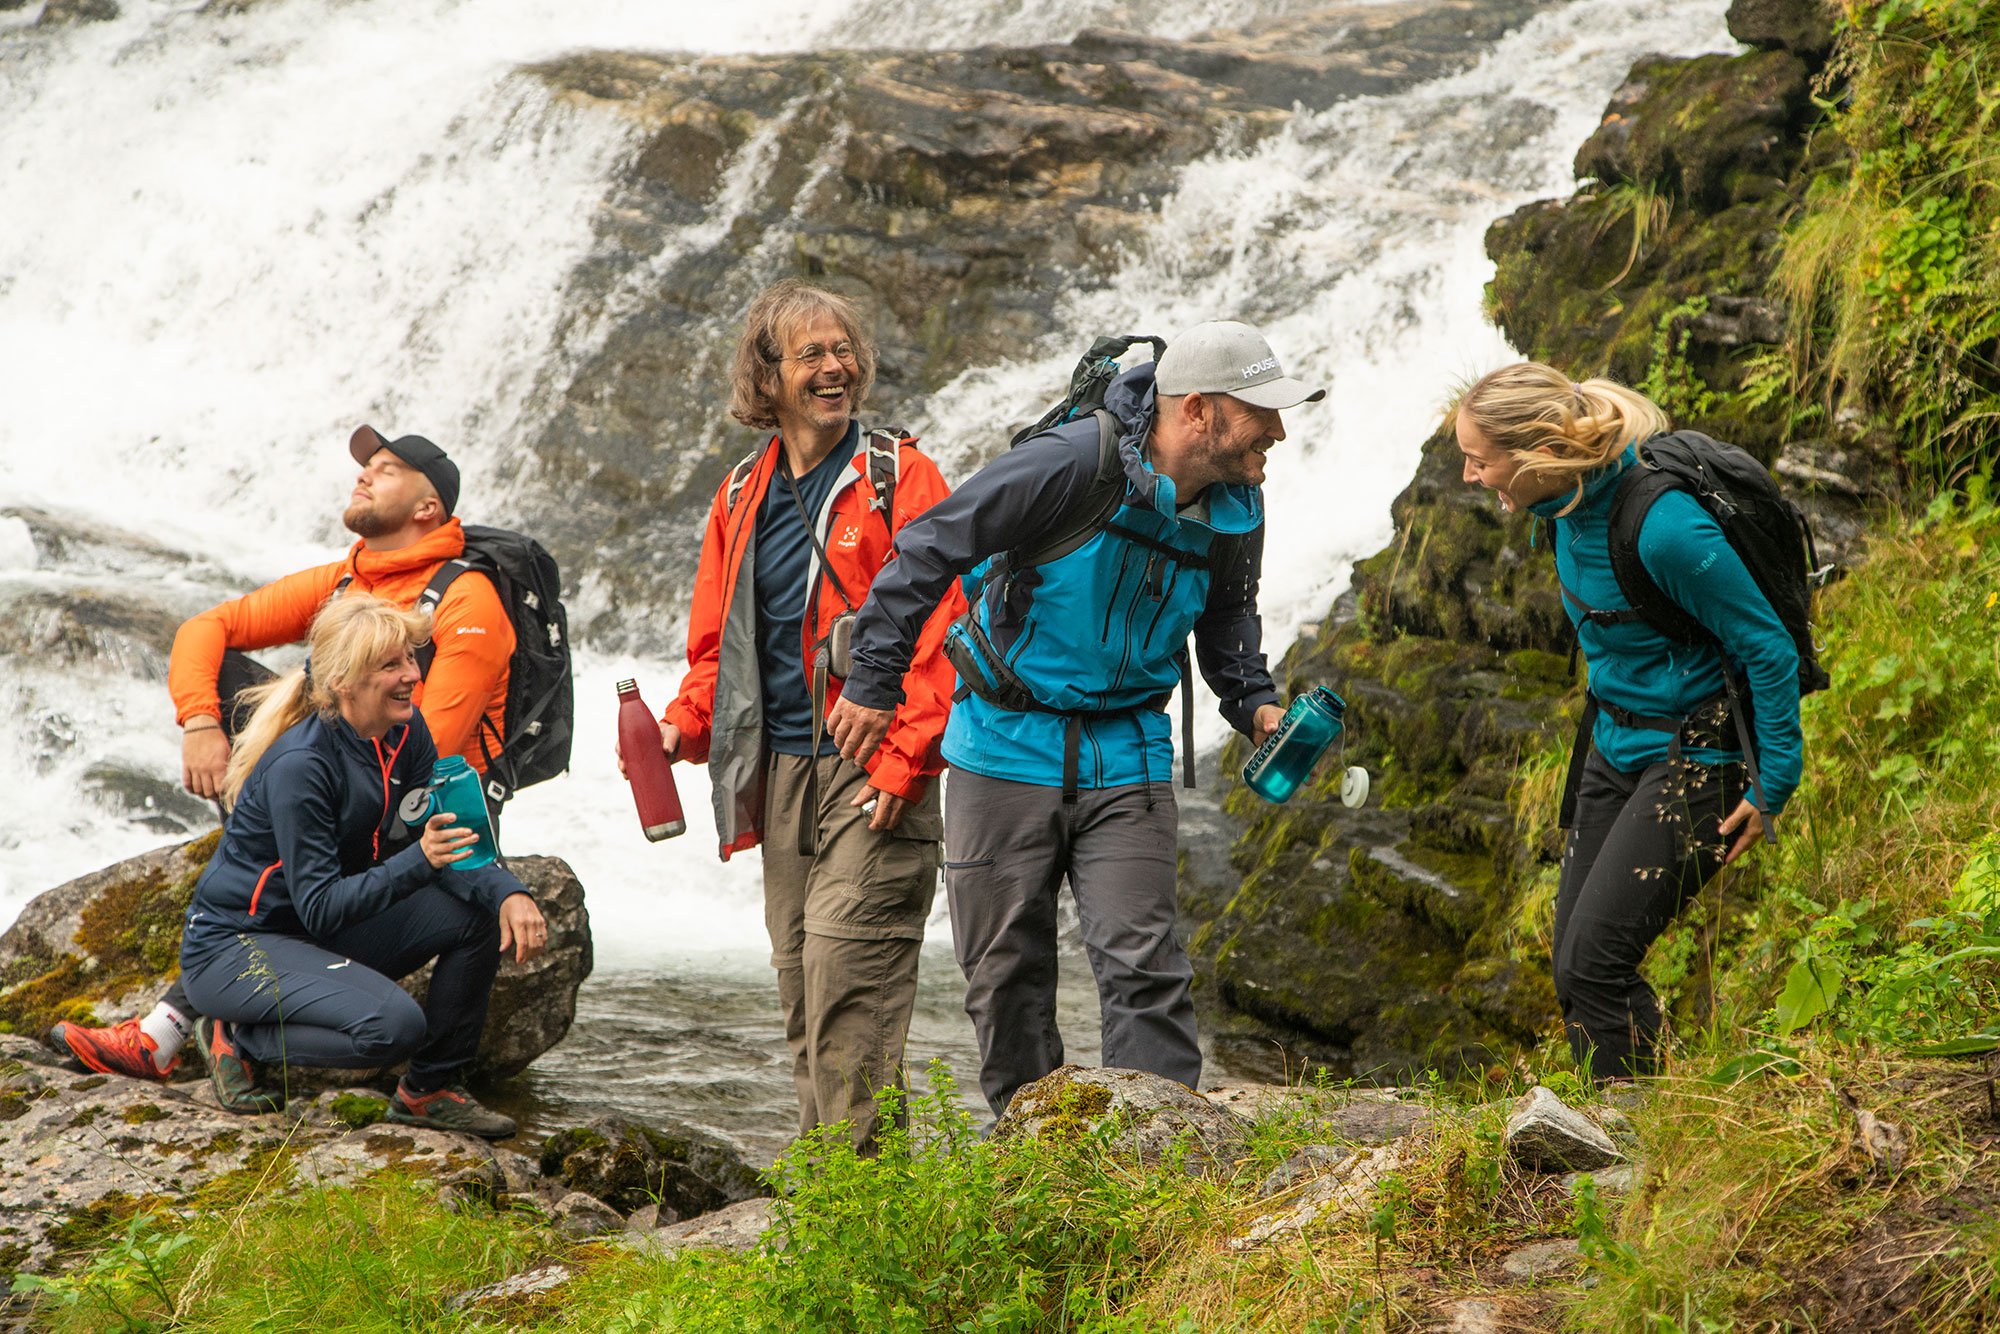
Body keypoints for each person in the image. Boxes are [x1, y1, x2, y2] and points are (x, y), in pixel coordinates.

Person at [826, 319, 1322, 1120]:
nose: (1280, 430)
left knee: (1145, 967)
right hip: (1001, 745)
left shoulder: (1240, 501)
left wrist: (1254, 700)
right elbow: (928, 546)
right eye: (1262, 413)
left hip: (1128, 748)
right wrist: (876, 679)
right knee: (1006, 980)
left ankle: (1159, 1165)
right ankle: (1036, 1163)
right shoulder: (1069, 464)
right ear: (1197, 411)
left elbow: (1228, 614)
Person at [49, 426, 515, 1086]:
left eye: (385, 470)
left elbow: (423, 746)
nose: (363, 475)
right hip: (331, 796)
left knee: (314, 892)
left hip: (411, 810)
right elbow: (203, 628)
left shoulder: (469, 601)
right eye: (366, 467)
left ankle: (179, 1030)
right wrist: (202, 722)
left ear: (427, 508)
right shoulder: (345, 581)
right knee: (229, 675)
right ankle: (180, 1029)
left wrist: (499, 883)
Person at [635, 280, 962, 1150]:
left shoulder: (899, 477)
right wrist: (680, 728)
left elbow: (947, 630)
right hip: (777, 771)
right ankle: (838, 1215)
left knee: (849, 985)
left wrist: (905, 763)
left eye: (843, 350)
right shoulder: (740, 493)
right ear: (767, 376)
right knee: (804, 995)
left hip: (872, 768)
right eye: (811, 354)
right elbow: (717, 651)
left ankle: (855, 1210)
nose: (836, 368)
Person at [1454, 362, 1803, 1080]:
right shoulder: (1557, 509)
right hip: (1613, 745)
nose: (1468, 476)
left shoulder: (1664, 528)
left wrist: (1775, 779)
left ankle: (1630, 1157)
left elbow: (1767, 646)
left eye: (1479, 461)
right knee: (1572, 969)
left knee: (1595, 967)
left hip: (1696, 758)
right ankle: (1617, 1132)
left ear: (1541, 456)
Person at [169, 593, 544, 1133]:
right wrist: (418, 860)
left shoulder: (405, 732)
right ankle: (236, 1036)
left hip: (312, 934)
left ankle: (429, 1089)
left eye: (411, 658)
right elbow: (322, 907)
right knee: (392, 1028)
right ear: (344, 681)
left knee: (476, 912)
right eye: (391, 665)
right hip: (237, 947)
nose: (412, 675)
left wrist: (507, 890)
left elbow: (445, 834)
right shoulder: (303, 764)